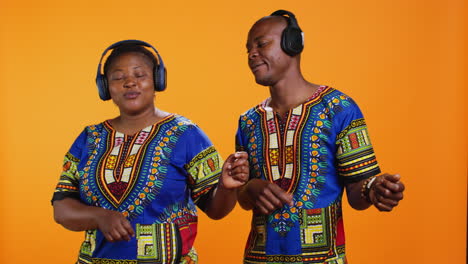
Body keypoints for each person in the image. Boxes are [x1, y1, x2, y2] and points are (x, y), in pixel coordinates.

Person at [52, 40, 249, 264]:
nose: (129, 83)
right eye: (118, 77)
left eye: (140, 75)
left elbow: (216, 210)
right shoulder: (89, 138)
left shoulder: (186, 134)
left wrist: (225, 187)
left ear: (157, 80)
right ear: (105, 87)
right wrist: (99, 216)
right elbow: (62, 207)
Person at [236, 10, 405, 263]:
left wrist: (374, 189)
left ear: (291, 43)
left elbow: (358, 194)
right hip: (259, 258)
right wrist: (250, 188)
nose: (251, 54)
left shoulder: (339, 108)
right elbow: (242, 198)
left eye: (261, 44)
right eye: (248, 48)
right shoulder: (248, 121)